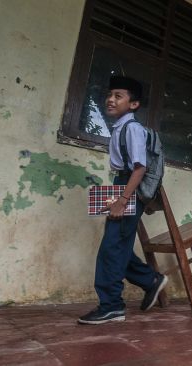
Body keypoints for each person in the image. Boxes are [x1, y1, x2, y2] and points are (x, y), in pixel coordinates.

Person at [78, 76, 167, 325]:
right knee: (117, 245)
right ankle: (151, 280)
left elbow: (140, 168)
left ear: (134, 104)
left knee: (111, 248)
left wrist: (122, 199)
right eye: (110, 94)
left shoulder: (133, 129)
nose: (110, 99)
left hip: (130, 187)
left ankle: (112, 306)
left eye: (118, 96)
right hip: (122, 184)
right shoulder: (120, 127)